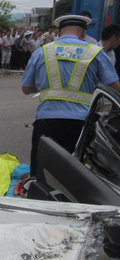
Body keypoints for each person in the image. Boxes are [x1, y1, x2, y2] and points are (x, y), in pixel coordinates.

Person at [22, 15, 120, 176]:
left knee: (42, 171)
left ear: (59, 32)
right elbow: (115, 87)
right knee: (76, 175)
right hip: (82, 124)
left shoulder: (42, 52)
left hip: (47, 120)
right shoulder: (95, 53)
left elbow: (26, 88)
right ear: (83, 33)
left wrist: (45, 86)